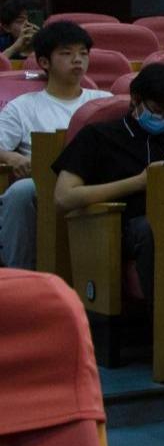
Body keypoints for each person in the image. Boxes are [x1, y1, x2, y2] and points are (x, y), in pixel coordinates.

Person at [50, 63, 164, 299]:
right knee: (149, 229)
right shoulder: (98, 136)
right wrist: (139, 182)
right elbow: (64, 197)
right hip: (118, 228)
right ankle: (161, 318)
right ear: (136, 99)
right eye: (158, 110)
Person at [0, 22, 110, 268]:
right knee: (21, 191)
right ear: (44, 62)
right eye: (66, 53)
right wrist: (12, 157)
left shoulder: (103, 102)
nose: (77, 60)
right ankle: (21, 273)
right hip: (45, 182)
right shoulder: (23, 106)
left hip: (96, 181)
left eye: (83, 53)